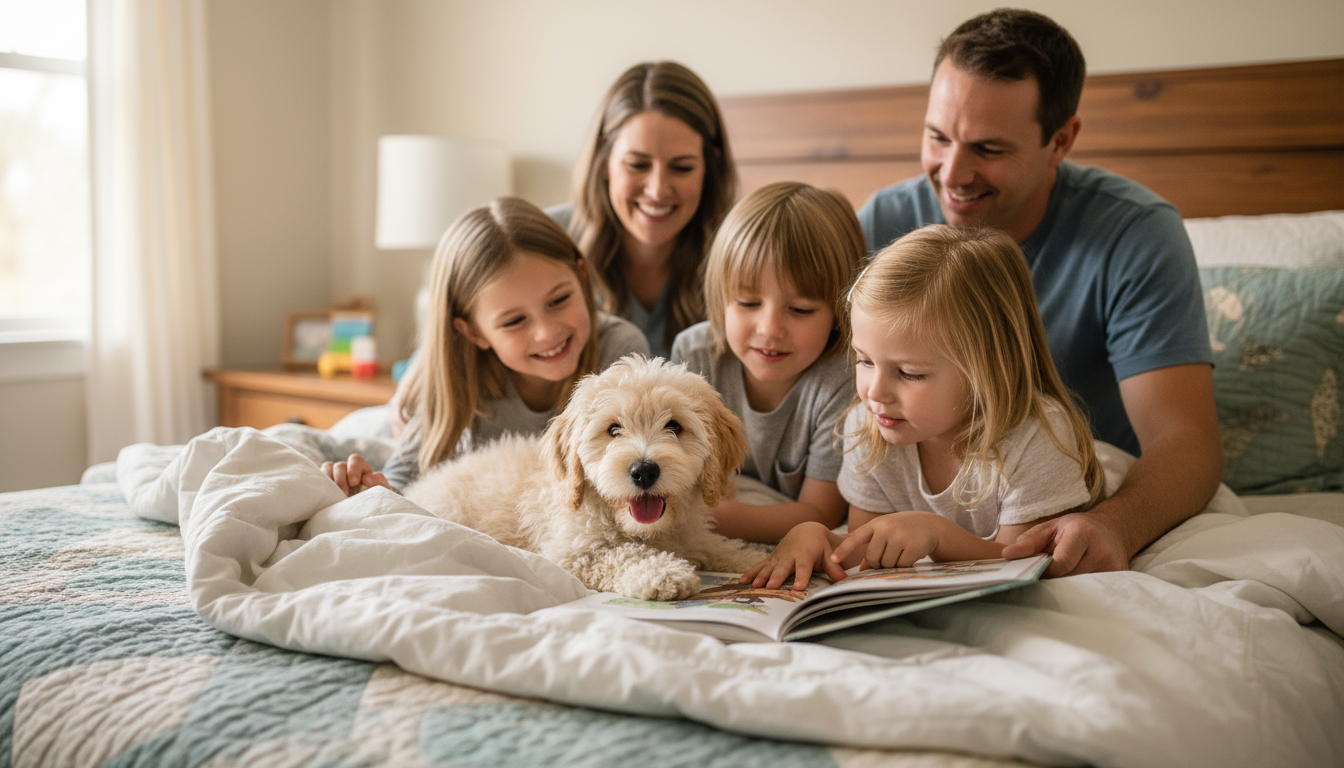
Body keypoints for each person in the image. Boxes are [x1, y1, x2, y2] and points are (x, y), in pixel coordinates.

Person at [855, 8, 1221, 577]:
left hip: (1062, 501)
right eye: (937, 137)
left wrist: (1114, 524)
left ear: (1061, 140)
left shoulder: (1135, 232)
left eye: (989, 149)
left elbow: (1185, 439)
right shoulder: (884, 220)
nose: (952, 172)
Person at [744, 226, 1107, 590]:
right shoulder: (867, 427)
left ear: (986, 370)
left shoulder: (1035, 440)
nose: (875, 392)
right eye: (865, 361)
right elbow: (868, 550)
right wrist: (818, 539)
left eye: (909, 373)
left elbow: (1027, 562)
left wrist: (937, 534)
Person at [323, 197, 649, 496]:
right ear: (473, 332)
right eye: (513, 321)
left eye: (560, 299)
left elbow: (638, 472)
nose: (546, 332)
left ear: (581, 276)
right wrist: (368, 488)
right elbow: (408, 475)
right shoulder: (456, 376)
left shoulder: (620, 349)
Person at [671, 181, 861, 544]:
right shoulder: (693, 355)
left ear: (841, 311)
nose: (770, 330)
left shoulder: (844, 379)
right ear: (721, 297)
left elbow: (820, 514)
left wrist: (702, 515)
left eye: (800, 309)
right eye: (747, 303)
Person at [555, 60, 738, 359]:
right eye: (637, 165)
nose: (657, 190)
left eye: (682, 167)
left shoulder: (746, 246)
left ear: (711, 166)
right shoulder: (546, 241)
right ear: (604, 159)